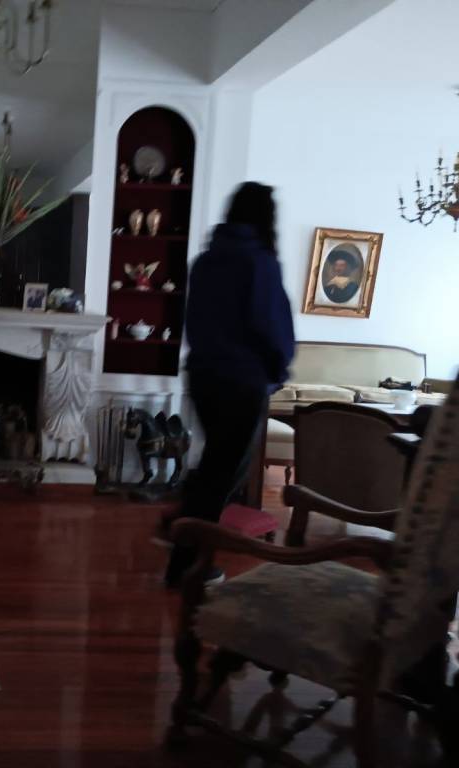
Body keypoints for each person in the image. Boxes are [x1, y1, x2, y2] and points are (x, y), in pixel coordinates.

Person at [160, 182, 295, 587]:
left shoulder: (205, 261)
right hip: (242, 381)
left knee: (216, 469)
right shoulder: (260, 263)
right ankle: (186, 565)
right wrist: (278, 369)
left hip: (204, 376)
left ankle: (182, 535)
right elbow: (271, 326)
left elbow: (193, 323)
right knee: (224, 475)